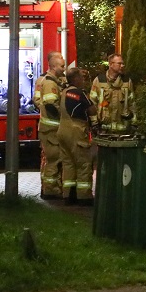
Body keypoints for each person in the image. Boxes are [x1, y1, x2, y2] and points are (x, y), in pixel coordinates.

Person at [57, 67, 97, 205]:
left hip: (62, 130)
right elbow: (92, 109)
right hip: (77, 130)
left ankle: (68, 195)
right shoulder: (80, 93)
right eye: (82, 77)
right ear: (75, 79)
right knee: (83, 163)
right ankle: (84, 196)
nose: (83, 80)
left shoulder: (64, 92)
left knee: (68, 163)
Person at [32, 52, 66, 198]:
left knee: (56, 159)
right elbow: (41, 101)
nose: (64, 68)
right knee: (51, 159)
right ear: (52, 64)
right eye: (62, 65)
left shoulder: (60, 80)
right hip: (51, 126)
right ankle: (48, 189)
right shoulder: (45, 81)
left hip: (56, 127)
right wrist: (45, 110)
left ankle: (52, 187)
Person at [89, 54, 135, 134]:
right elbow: (93, 102)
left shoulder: (127, 81)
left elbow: (132, 103)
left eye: (123, 63)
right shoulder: (99, 81)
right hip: (103, 129)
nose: (122, 66)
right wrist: (94, 123)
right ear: (110, 64)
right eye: (119, 63)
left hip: (123, 130)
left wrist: (134, 123)